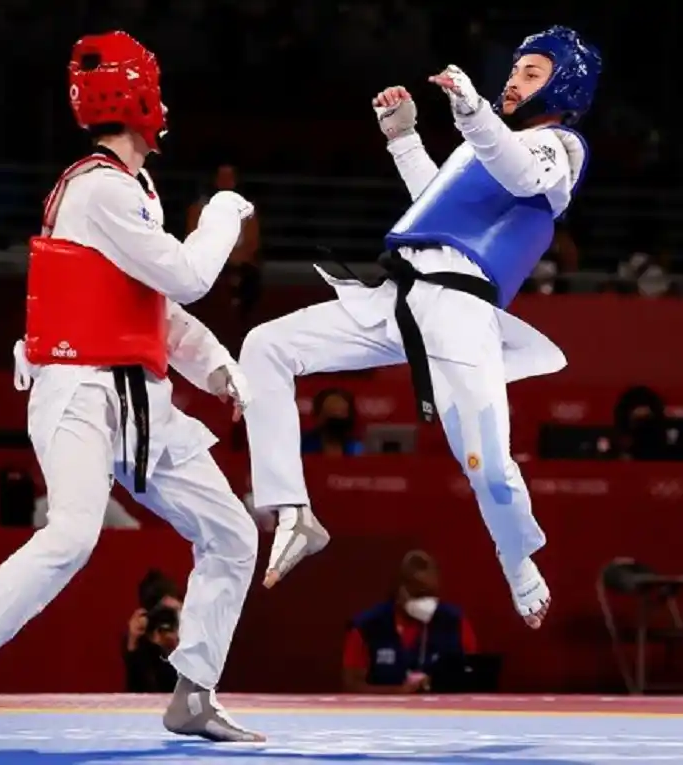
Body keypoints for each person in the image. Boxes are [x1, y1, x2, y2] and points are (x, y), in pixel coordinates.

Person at [0, 31, 263, 743]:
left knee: (231, 533)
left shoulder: (132, 189)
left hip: (141, 397)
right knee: (73, 531)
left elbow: (150, 308)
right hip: (78, 389)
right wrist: (225, 211)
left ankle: (193, 692)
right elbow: (191, 276)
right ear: (140, 99)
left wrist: (216, 362)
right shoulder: (98, 188)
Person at [239, 26, 600, 627]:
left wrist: (472, 111)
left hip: (463, 311)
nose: (514, 80)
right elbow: (434, 202)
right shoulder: (480, 145)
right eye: (513, 70)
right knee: (265, 346)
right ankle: (292, 510)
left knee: (489, 467)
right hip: (400, 294)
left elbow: (520, 176)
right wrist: (403, 137)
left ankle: (518, 559)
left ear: (565, 84)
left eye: (531, 73)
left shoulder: (561, 149)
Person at [342, 550, 476, 694]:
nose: (427, 602)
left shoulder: (455, 622)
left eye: (431, 594)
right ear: (400, 590)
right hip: (385, 713)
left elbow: (473, 677)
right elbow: (351, 686)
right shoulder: (367, 627)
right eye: (419, 594)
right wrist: (397, 692)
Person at [301, 388, 364, 456]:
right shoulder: (302, 446)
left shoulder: (357, 449)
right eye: (330, 417)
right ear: (317, 416)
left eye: (340, 418)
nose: (335, 425)